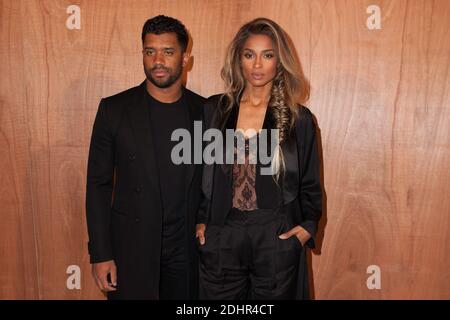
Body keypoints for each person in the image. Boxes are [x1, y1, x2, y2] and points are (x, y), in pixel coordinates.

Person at [196, 17, 323, 299]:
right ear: (238, 59)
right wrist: (202, 221)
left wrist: (306, 228)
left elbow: (310, 182)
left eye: (267, 55)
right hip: (223, 233)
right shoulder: (214, 110)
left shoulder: (298, 118)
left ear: (279, 61)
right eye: (249, 54)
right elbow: (203, 175)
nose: (257, 65)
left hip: (275, 233)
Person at [86, 15, 205, 299]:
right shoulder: (114, 110)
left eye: (168, 51)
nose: (158, 61)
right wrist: (100, 254)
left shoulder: (205, 112)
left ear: (185, 57)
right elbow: (98, 186)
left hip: (188, 255)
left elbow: (214, 183)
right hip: (131, 251)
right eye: (150, 51)